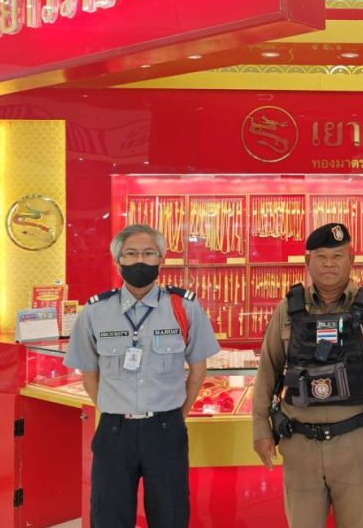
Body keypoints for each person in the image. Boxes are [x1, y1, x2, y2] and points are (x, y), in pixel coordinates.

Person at [251, 223, 363, 528]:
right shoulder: (287, 310)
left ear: (351, 259)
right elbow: (268, 370)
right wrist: (260, 428)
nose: (329, 264)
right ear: (307, 261)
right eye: (321, 256)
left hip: (355, 445)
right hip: (300, 447)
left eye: (337, 256)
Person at [64, 224, 220, 527]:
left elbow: (198, 370)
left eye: (148, 253)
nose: (139, 261)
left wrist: (177, 415)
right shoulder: (95, 311)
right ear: (118, 261)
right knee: (108, 515)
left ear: (161, 259)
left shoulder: (183, 307)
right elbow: (89, 373)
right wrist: (112, 408)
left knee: (170, 514)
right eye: (131, 254)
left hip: (165, 430)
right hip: (114, 431)